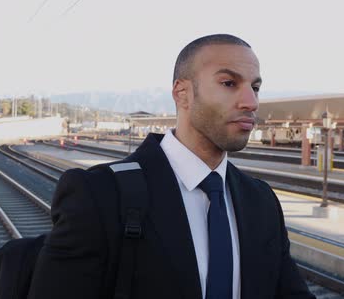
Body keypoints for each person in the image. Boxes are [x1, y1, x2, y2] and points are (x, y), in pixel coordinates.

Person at [29, 34, 315, 299]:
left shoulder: (261, 201)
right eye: (229, 83)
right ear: (182, 94)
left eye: (255, 87)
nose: (251, 102)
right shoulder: (99, 193)